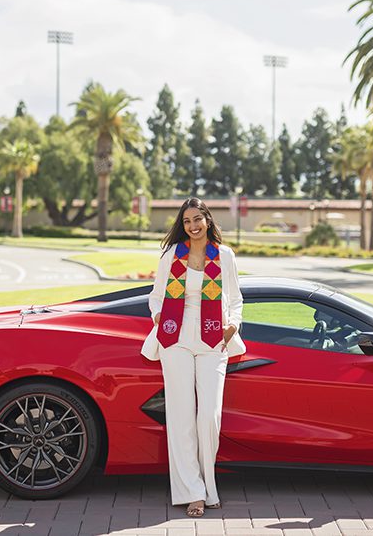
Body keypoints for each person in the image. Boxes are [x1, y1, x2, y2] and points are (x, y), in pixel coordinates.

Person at [140, 197, 244, 517]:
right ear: (182, 225)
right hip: (177, 337)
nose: (193, 226)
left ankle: (207, 484)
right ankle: (193, 492)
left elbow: (236, 299)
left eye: (198, 219)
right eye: (187, 221)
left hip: (214, 338)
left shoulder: (224, 255)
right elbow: (156, 297)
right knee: (182, 416)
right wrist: (160, 318)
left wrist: (232, 327)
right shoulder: (173, 255)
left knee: (208, 417)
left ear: (208, 220)